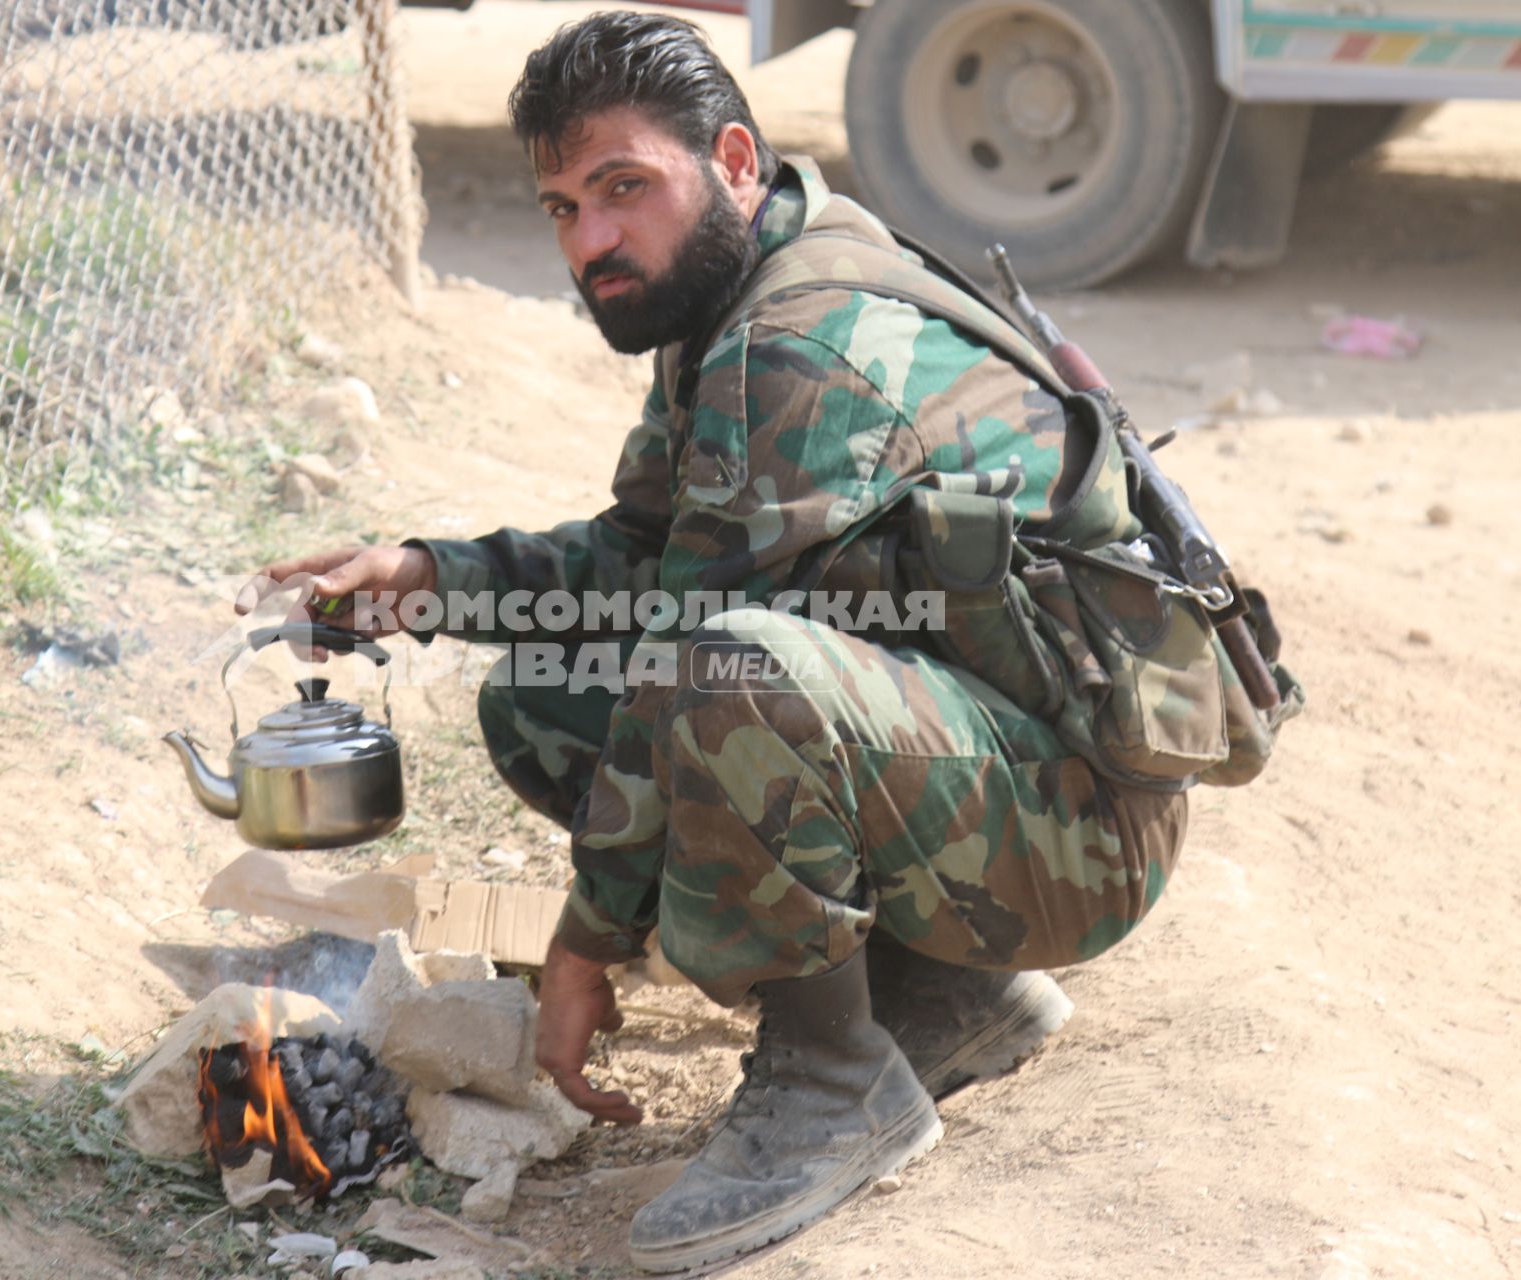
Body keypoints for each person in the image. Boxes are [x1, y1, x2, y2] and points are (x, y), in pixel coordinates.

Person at [241, 12, 1292, 1271]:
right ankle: (949, 990)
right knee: (548, 691)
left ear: (732, 159)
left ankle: (830, 1074)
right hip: (998, 756)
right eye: (564, 207)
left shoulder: (797, 341)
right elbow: (641, 558)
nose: (594, 242)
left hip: (1083, 830)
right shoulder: (726, 283)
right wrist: (428, 577)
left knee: (723, 674)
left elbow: (689, 644)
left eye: (625, 188)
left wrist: (584, 945)